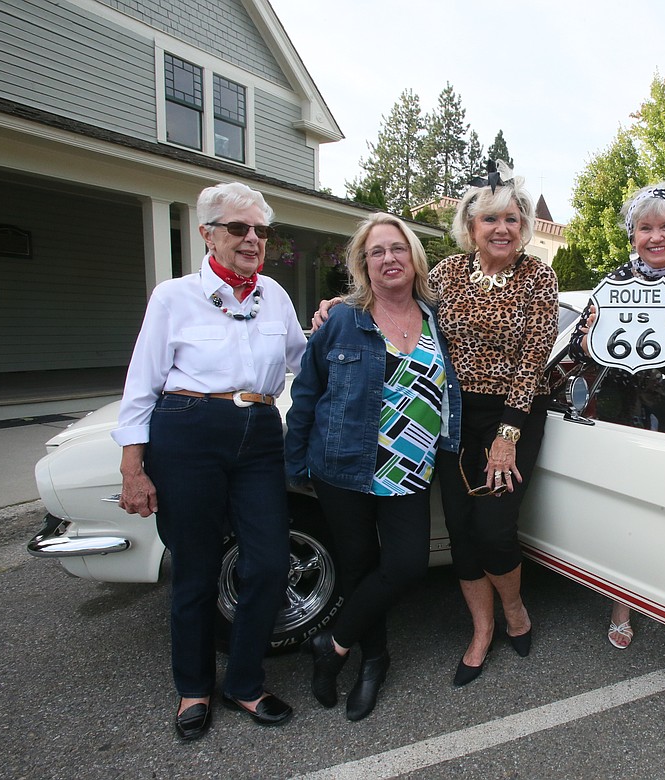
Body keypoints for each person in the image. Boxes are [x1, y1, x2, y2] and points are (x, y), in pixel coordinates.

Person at [112, 182, 306, 741]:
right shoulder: (173, 297)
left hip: (260, 432)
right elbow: (141, 384)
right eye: (239, 229)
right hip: (188, 431)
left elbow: (301, 358)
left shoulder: (274, 294)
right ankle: (193, 689)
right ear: (207, 234)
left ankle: (245, 683)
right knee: (195, 571)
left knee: (268, 563)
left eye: (261, 231)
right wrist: (134, 466)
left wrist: (339, 323)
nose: (252, 240)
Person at [284, 214, 461, 721]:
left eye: (397, 249)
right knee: (361, 567)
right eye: (377, 251)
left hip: (410, 467)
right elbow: (307, 391)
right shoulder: (343, 318)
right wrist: (295, 461)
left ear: (414, 257)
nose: (389, 259)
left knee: (404, 565)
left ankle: (332, 645)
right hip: (344, 465)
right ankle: (373, 660)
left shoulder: (436, 317)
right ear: (364, 263)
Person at [431, 162, 558, 686]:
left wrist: (507, 436)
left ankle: (515, 611)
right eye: (490, 220)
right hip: (455, 414)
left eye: (511, 218)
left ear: (523, 226)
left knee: (495, 530)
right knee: (461, 531)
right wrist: (332, 309)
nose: (502, 228)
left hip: (515, 413)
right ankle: (481, 631)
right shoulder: (443, 275)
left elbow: (534, 356)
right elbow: (392, 307)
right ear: (471, 226)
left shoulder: (538, 277)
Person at [568, 182, 665, 649]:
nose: (655, 236)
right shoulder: (613, 281)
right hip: (621, 406)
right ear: (632, 235)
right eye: (645, 228)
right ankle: (622, 604)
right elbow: (577, 344)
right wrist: (588, 341)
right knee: (625, 502)